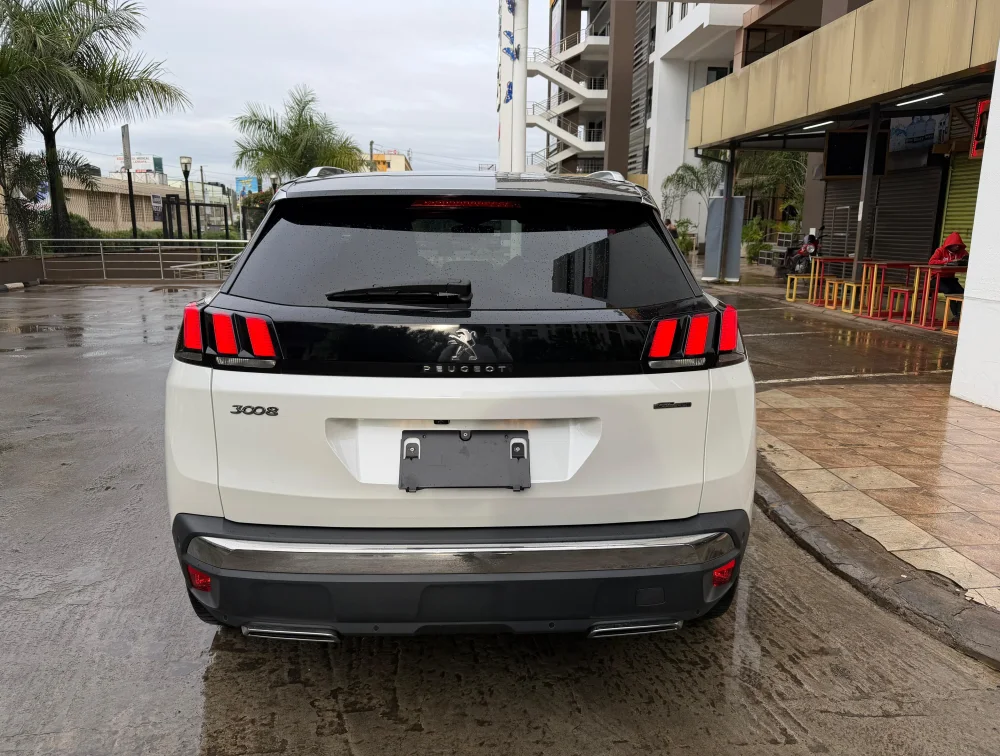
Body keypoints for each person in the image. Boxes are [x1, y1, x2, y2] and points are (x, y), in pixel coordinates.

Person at [929, 232, 969, 320]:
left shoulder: (961, 252)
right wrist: (946, 263)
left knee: (961, 292)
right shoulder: (940, 251)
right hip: (937, 279)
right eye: (956, 245)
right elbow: (931, 262)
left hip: (950, 279)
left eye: (959, 245)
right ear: (950, 244)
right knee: (949, 291)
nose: (957, 247)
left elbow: (967, 258)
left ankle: (958, 315)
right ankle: (956, 314)